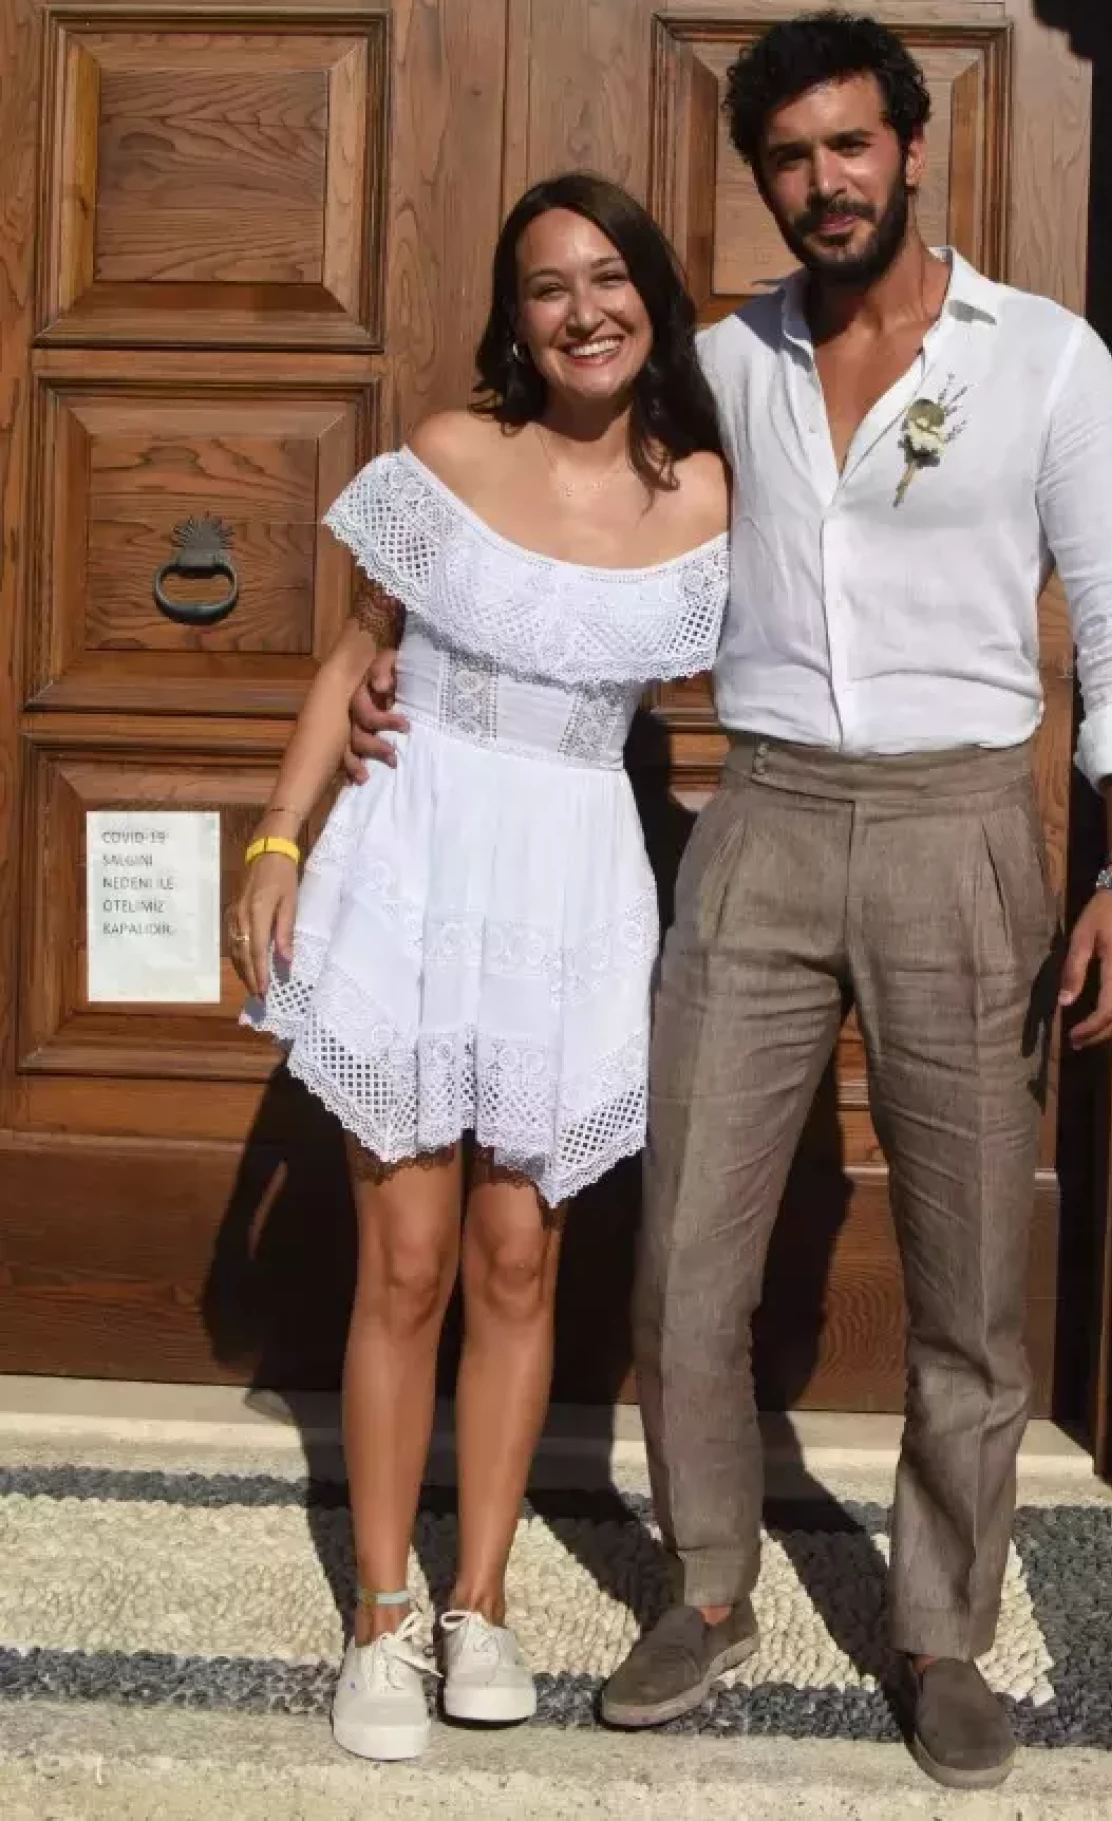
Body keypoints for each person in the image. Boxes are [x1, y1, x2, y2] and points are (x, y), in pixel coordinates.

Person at [348, 15, 1112, 1792]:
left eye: (851, 145)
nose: (827, 182)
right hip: (764, 816)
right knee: (686, 1257)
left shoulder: (1046, 359)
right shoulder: (719, 365)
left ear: (913, 149)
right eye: (792, 158)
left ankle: (941, 1630)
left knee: (970, 1272)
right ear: (765, 181)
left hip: (964, 826)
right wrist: (396, 664)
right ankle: (708, 1588)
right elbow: (547, 501)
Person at [229, 172, 729, 1763]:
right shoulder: (449, 455)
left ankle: (481, 1598)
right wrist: (280, 837)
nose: (583, 310)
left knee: (522, 1263)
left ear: (651, 295)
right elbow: (355, 654)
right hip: (419, 860)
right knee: (407, 1261)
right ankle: (382, 1613)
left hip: (572, 887)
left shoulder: (713, 498)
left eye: (608, 277)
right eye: (546, 286)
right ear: (515, 318)